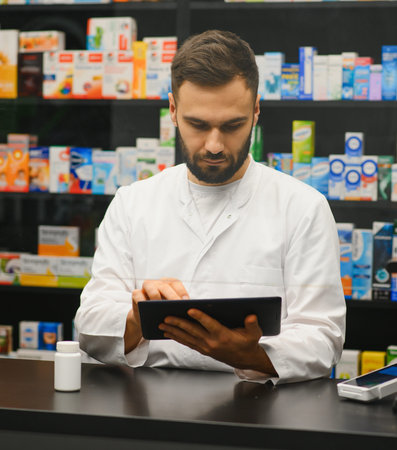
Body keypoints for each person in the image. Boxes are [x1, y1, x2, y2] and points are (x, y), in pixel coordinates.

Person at [75, 30, 346, 384]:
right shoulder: (133, 202)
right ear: (173, 110)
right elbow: (89, 323)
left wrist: (250, 355)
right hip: (145, 406)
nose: (215, 145)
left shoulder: (303, 207)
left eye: (232, 125)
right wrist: (135, 319)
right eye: (198, 125)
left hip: (259, 408)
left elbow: (323, 337)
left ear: (256, 111)